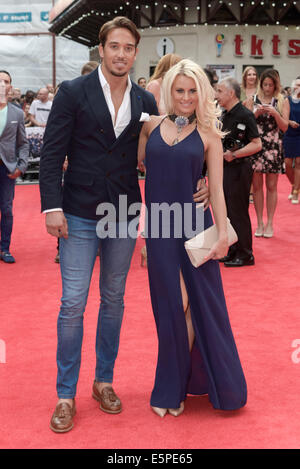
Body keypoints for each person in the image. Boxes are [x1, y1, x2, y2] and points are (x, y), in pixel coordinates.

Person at [39, 16, 210, 433]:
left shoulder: (145, 101)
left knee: (113, 300)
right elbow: (50, 152)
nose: (121, 54)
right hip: (78, 211)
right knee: (73, 304)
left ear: (136, 53)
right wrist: (51, 208)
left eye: (128, 48)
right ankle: (66, 394)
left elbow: (175, 143)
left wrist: (201, 177)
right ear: (102, 49)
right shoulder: (72, 92)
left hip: (122, 213)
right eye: (114, 46)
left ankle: (104, 381)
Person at [138, 59, 247, 418]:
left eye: (192, 91)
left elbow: (216, 189)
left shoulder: (209, 135)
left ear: (201, 93)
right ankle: (177, 382)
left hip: (194, 228)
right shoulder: (150, 126)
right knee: (168, 309)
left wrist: (223, 236)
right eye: (179, 90)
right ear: (169, 90)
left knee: (186, 304)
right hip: (158, 231)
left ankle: (170, 388)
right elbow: (137, 168)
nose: (185, 97)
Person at [215, 78, 262, 267]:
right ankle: (234, 249)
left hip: (240, 168)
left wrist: (234, 154)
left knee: (238, 210)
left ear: (231, 93)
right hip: (226, 169)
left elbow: (257, 144)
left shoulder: (245, 115)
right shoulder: (224, 115)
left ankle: (245, 253)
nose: (216, 95)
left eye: (219, 91)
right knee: (227, 211)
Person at [249, 69, 289, 238]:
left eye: (270, 85)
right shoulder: (252, 100)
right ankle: (259, 222)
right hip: (257, 146)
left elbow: (285, 126)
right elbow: (247, 123)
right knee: (257, 187)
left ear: (275, 86)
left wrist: (275, 114)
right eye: (265, 84)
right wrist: (256, 113)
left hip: (273, 147)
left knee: (272, 187)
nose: (267, 88)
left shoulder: (282, 101)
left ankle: (270, 222)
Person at [0, 70, 29, 263]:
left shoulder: (17, 113)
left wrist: (22, 165)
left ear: (10, 87)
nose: (2, 84)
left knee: (7, 209)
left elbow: (23, 143)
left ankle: (4, 248)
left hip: (7, 168)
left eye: (6, 81)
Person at [283, 77, 300, 204]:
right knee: (288, 164)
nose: (298, 87)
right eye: (297, 85)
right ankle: (295, 185)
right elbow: (284, 118)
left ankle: (295, 192)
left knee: (298, 163)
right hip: (289, 134)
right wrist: (290, 122)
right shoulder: (287, 100)